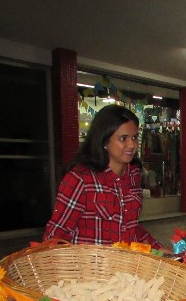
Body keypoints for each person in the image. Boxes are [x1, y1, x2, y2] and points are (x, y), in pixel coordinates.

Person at [44, 104, 162, 248]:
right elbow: (56, 235)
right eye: (123, 138)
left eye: (134, 137)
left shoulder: (133, 176)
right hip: (90, 268)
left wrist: (157, 248)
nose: (132, 145)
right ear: (104, 141)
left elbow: (131, 226)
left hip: (124, 266)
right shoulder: (80, 180)